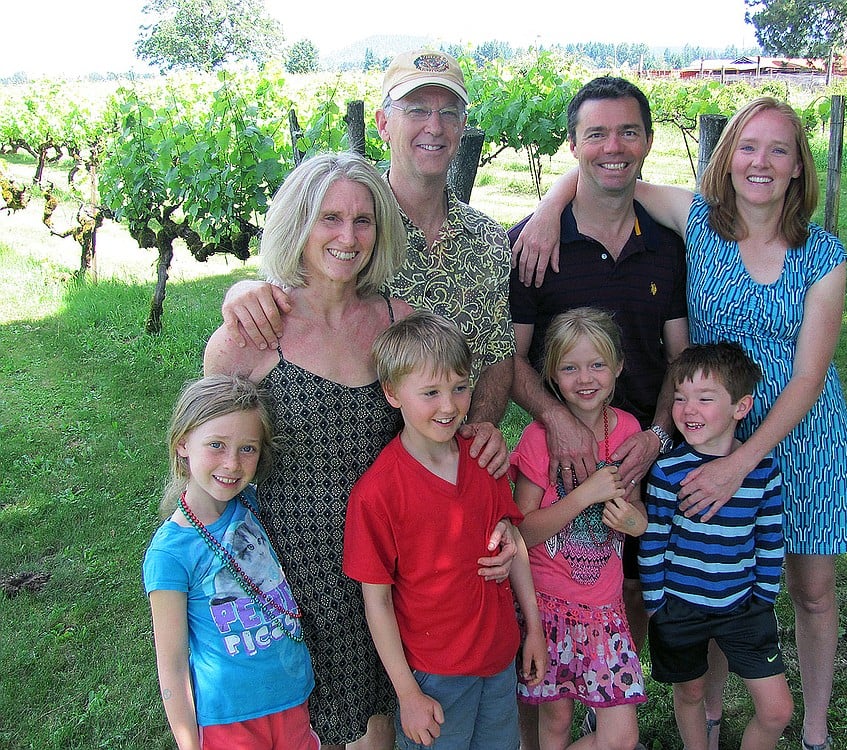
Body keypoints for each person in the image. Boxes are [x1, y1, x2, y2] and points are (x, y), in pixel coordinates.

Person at [517, 96, 847, 750]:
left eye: (777, 150)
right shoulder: (699, 220)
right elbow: (607, 167)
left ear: (796, 167)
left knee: (811, 590)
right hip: (705, 428)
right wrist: (544, 211)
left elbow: (808, 378)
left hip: (801, 436)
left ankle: (813, 728)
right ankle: (705, 715)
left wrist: (740, 464)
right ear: (727, 158)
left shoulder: (822, 254)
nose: (760, 162)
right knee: (715, 566)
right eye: (748, 147)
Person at [203, 152, 515, 750]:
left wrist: (483, 436)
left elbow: (440, 419)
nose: (348, 237)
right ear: (299, 221)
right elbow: (206, 460)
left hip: (395, 566)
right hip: (292, 574)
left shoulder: (401, 324)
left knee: (384, 728)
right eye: (330, 218)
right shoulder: (255, 331)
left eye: (364, 220)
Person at [220, 48, 513, 471]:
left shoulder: (488, 238)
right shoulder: (353, 216)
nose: (434, 126)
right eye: (416, 110)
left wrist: (472, 440)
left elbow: (497, 353)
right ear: (382, 124)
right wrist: (241, 289)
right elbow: (283, 290)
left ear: (463, 126)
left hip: (444, 476)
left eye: (449, 113)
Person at [507, 77, 687, 747]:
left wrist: (659, 435)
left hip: (640, 447)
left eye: (628, 131)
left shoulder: (666, 244)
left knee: (628, 590)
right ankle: (552, 718)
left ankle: (604, 700)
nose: (613, 147)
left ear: (646, 139)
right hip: (561, 462)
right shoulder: (533, 243)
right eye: (596, 133)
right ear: (572, 144)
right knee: (546, 604)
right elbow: (510, 357)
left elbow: (679, 354)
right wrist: (555, 420)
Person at [342, 310, 546, 750]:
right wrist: (407, 694)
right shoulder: (378, 493)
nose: (449, 406)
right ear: (392, 392)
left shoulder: (483, 457)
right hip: (434, 677)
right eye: (430, 392)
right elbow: (375, 600)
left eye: (460, 387)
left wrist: (534, 628)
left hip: (498, 661)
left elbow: (513, 542)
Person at [143, 374, 318, 750]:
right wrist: (189, 743)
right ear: (182, 444)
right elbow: (172, 665)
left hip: (293, 700)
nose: (232, 464)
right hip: (231, 721)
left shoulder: (255, 505)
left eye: (248, 449)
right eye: (217, 445)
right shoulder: (170, 553)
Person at [640, 342, 793, 750]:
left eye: (705, 399)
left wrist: (762, 595)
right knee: (690, 693)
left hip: (744, 608)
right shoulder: (668, 471)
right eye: (679, 398)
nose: (689, 410)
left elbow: (769, 537)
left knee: (777, 710)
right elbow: (654, 538)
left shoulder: (761, 469)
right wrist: (656, 603)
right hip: (679, 607)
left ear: (741, 407)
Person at [510, 307, 649, 750]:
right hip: (550, 607)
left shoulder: (627, 429)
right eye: (569, 367)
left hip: (605, 611)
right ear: (551, 374)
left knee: (622, 738)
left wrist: (636, 523)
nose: (584, 378)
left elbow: (637, 511)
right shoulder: (537, 439)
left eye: (597, 365)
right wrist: (582, 496)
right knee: (555, 724)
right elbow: (521, 531)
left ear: (618, 368)